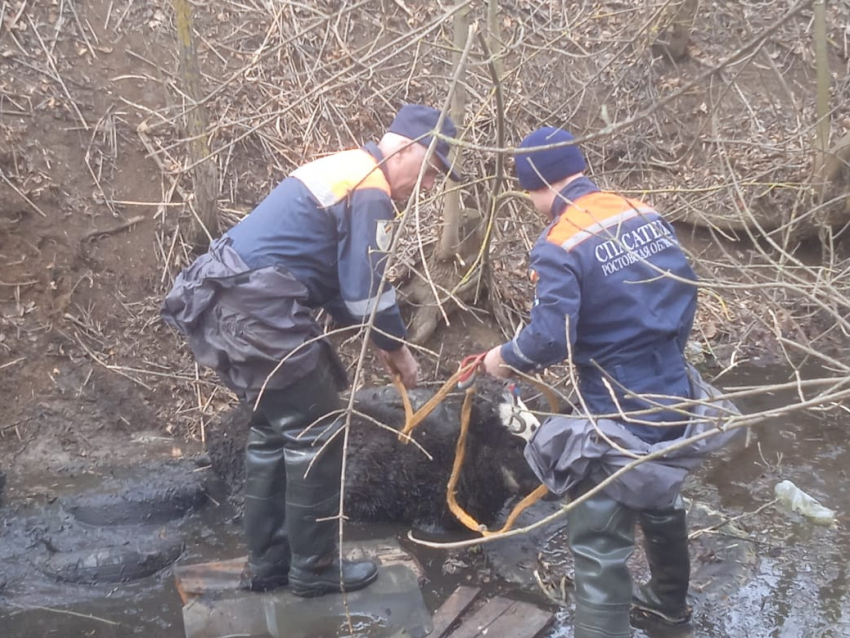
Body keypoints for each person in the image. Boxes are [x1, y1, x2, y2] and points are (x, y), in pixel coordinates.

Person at [162, 104, 460, 596]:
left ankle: (271, 565)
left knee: (270, 432)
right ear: (407, 148)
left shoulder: (345, 169)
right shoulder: (371, 189)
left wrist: (377, 341)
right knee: (316, 432)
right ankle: (315, 570)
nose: (427, 187)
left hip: (225, 300)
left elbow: (336, 283)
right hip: (258, 311)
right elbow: (367, 290)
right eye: (429, 171)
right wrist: (399, 350)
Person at [481, 127, 740, 637]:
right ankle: (669, 605)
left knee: (599, 516)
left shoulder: (559, 243)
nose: (531, 201)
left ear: (538, 183)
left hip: (616, 396)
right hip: (672, 381)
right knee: (660, 482)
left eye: (528, 190)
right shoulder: (640, 210)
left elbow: (551, 338)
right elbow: (687, 290)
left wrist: (504, 360)